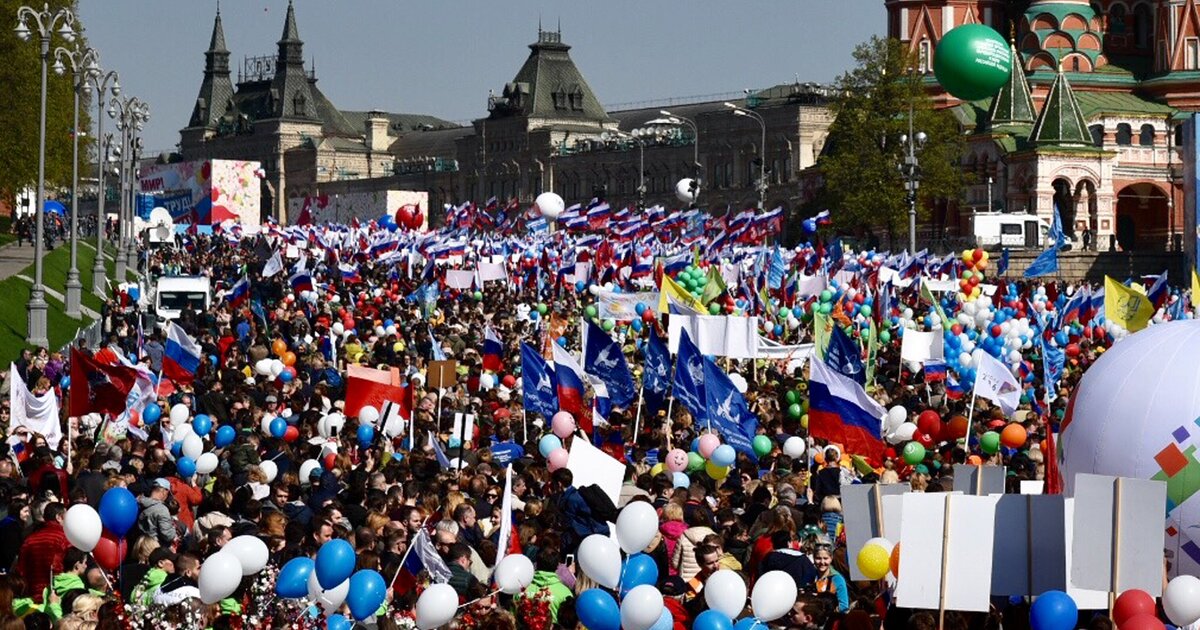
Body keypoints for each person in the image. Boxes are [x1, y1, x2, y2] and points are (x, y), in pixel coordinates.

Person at [15, 501, 69, 603]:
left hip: (33, 596)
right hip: (58, 595)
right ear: (59, 517)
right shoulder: (64, 538)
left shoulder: (29, 540)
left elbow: (21, 570)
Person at [137, 479, 178, 547]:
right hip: (156, 548)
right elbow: (168, 535)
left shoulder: (139, 502)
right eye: (168, 494)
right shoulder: (162, 510)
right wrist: (174, 528)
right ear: (164, 491)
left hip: (140, 545)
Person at [813, 543, 849, 612]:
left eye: (825, 558)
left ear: (831, 558)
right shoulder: (810, 575)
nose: (822, 562)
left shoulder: (837, 579)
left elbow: (844, 606)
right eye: (818, 558)